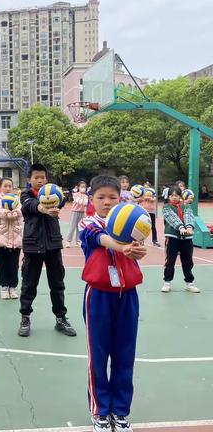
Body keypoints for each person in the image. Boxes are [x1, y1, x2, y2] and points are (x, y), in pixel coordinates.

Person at [78, 175, 147, 432]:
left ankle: (120, 411)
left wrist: (137, 249)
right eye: (101, 197)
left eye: (112, 197)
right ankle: (100, 411)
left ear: (121, 198)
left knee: (125, 355)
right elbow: (100, 238)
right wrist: (122, 247)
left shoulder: (132, 224)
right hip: (98, 296)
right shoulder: (89, 223)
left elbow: (138, 249)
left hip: (128, 295)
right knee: (98, 355)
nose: (107, 202)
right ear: (92, 199)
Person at [18, 163, 76, 338]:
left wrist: (58, 198)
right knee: (29, 284)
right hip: (33, 245)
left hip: (53, 245)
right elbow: (30, 206)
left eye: (42, 177)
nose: (40, 180)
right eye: (36, 177)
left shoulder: (54, 194)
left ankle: (60, 318)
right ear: (29, 180)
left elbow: (63, 200)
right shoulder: (26, 195)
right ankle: (25, 317)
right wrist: (44, 209)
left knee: (57, 284)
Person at [161, 185, 200, 293]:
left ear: (180, 196)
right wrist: (181, 227)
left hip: (187, 239)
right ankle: (167, 282)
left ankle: (189, 283)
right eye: (172, 195)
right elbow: (172, 218)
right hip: (173, 238)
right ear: (168, 196)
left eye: (177, 195)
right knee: (170, 261)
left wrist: (189, 227)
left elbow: (189, 216)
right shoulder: (166, 207)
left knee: (188, 261)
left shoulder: (186, 206)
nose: (174, 197)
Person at [0, 177, 23, 299]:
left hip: (15, 236)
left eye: (10, 186)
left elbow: (20, 210)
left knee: (14, 264)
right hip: (1, 236)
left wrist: (16, 213)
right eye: (5, 186)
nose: (8, 188)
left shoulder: (17, 200)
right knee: (2, 263)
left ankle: (13, 287)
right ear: (1, 187)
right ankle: (4, 287)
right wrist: (6, 213)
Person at [65, 181, 88, 247]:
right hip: (75, 212)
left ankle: (78, 241)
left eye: (84, 187)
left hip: (82, 212)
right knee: (72, 227)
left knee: (80, 227)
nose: (83, 188)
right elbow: (79, 201)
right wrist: (83, 201)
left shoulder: (86, 196)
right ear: (78, 187)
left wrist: (84, 200)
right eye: (82, 187)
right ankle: (68, 241)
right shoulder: (75, 194)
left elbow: (86, 203)